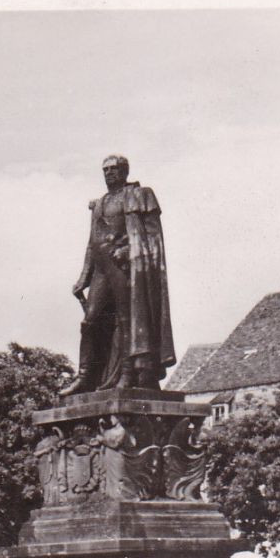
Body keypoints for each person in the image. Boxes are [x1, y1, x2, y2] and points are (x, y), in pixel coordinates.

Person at [59, 154, 177, 397]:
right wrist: (84, 277)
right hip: (101, 269)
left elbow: (152, 237)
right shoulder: (100, 203)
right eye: (105, 170)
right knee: (89, 322)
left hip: (125, 268)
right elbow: (92, 243)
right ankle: (85, 376)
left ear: (124, 172)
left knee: (127, 321)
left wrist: (129, 250)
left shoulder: (137, 195)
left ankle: (127, 374)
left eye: (114, 169)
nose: (109, 173)